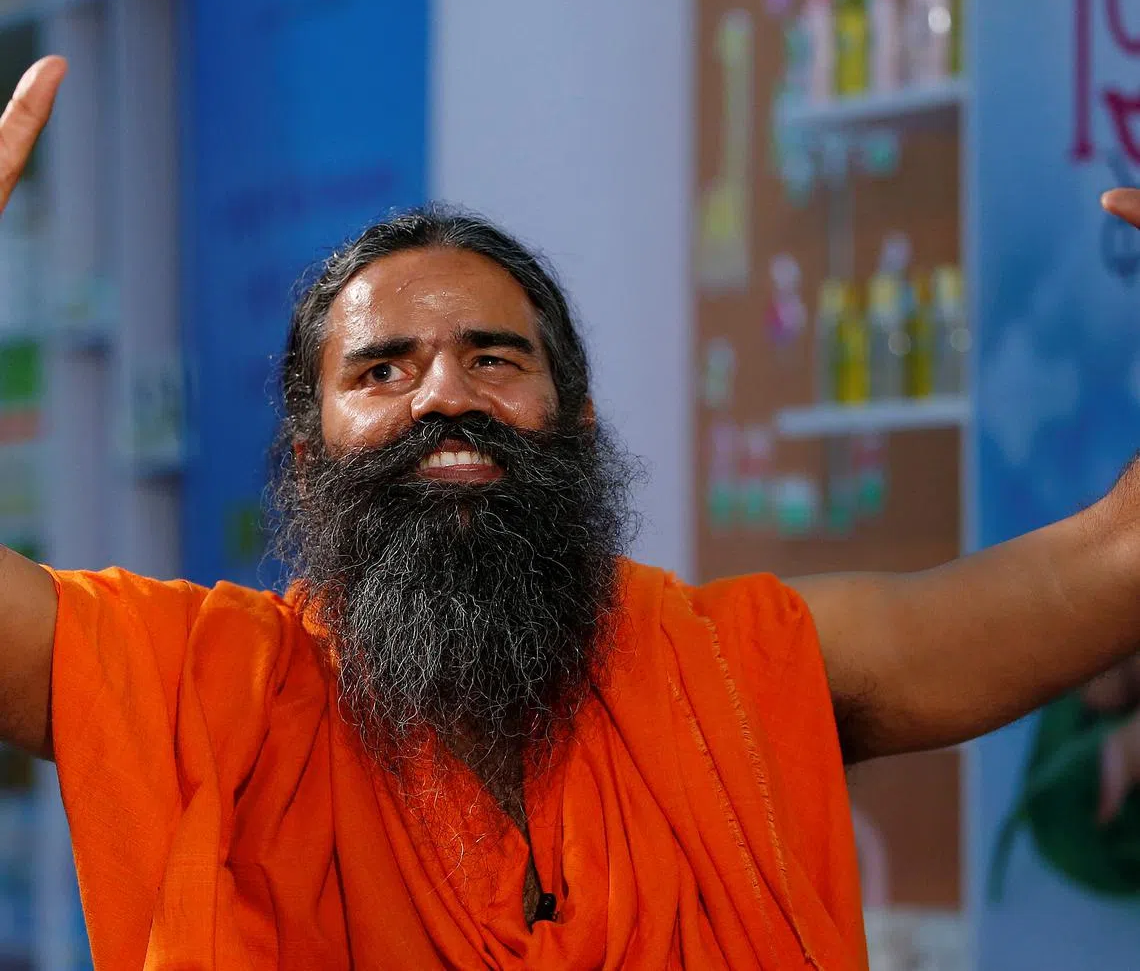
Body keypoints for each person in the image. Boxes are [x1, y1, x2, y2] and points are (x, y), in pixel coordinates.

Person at [5, 56, 1140, 971]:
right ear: (309, 459)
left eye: (492, 358)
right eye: (383, 371)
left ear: (578, 422)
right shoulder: (220, 690)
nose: (445, 395)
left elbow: (1109, 566)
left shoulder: (727, 674)